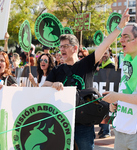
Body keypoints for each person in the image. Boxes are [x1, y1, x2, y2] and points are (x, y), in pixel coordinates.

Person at [42, 9, 129, 150]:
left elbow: (104, 44)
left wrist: (120, 27)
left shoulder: (87, 64)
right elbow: (44, 87)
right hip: (60, 122)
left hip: (84, 125)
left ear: (75, 48)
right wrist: (53, 85)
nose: (61, 50)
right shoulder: (57, 70)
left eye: (65, 46)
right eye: (60, 47)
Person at [103, 23, 137, 150]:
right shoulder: (126, 61)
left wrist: (117, 96)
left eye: (125, 36)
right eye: (121, 36)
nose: (121, 40)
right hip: (121, 130)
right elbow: (126, 91)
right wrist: (116, 102)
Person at [97, 48, 115, 139]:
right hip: (102, 90)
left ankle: (107, 130)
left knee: (106, 110)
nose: (104, 55)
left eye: (105, 53)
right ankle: (102, 128)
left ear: (109, 53)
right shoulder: (102, 64)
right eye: (102, 53)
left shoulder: (111, 65)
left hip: (108, 90)